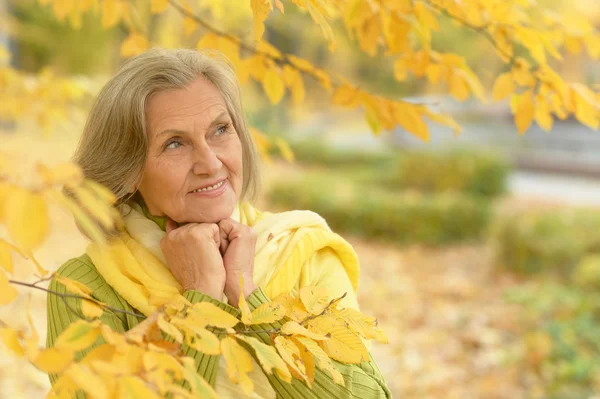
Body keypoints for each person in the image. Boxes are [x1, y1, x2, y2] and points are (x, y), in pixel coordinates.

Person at [46, 48, 391, 399]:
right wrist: (200, 296)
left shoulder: (302, 251)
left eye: (220, 130)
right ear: (128, 170)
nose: (210, 163)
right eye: (175, 143)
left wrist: (247, 293)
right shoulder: (83, 290)